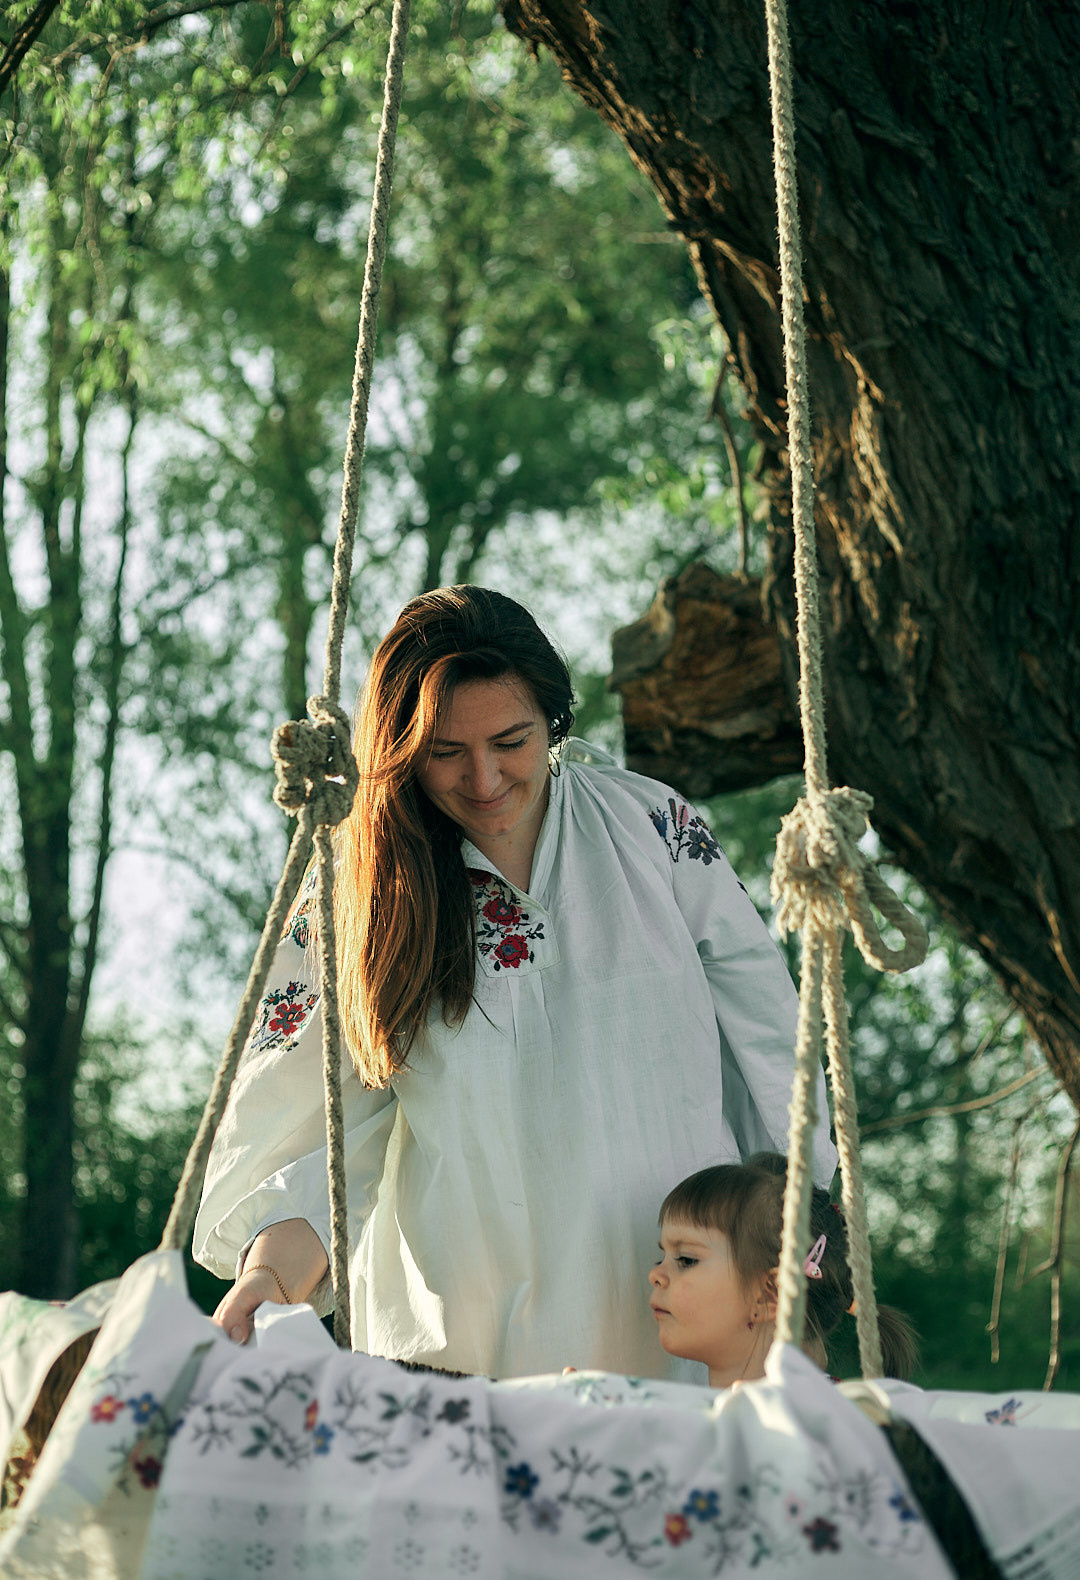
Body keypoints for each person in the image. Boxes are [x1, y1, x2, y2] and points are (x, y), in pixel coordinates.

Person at [194, 586, 835, 1380]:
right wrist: (267, 1276)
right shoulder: (360, 894)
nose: (485, 778)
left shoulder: (655, 831)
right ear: (400, 749)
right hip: (459, 1352)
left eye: (511, 740)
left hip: (676, 1327)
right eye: (445, 752)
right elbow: (322, 1138)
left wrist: (807, 1224)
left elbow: (774, 1047)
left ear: (554, 722)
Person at [649, 1153, 916, 1387]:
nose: (655, 1275)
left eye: (685, 1259)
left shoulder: (820, 1426)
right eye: (661, 1257)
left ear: (770, 1294)